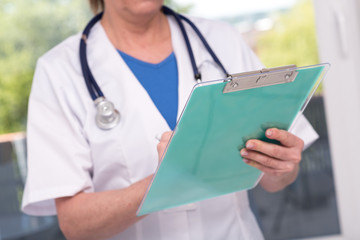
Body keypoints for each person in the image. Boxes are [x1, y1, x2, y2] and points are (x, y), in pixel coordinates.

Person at [21, 0, 318, 239]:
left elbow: (274, 180)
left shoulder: (221, 40)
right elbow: (75, 225)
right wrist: (161, 184)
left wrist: (280, 167)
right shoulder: (59, 70)